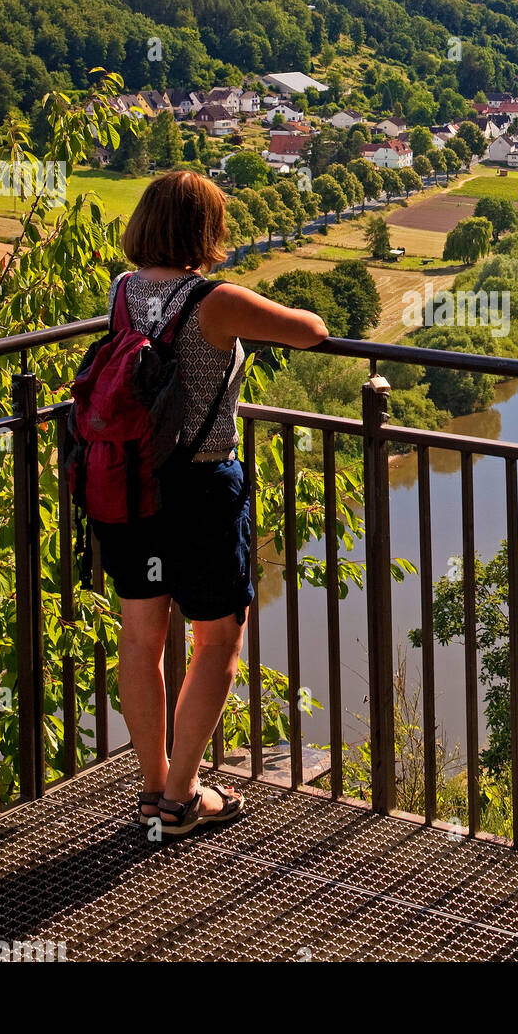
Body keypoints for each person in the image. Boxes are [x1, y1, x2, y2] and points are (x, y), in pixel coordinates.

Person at [92, 170, 327, 836]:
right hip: (200, 489)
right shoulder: (215, 301)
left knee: (138, 642)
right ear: (207, 230)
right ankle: (184, 796)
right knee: (217, 638)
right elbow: (310, 329)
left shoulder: (122, 292)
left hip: (131, 485)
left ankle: (151, 791)